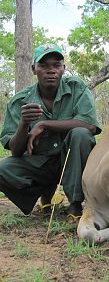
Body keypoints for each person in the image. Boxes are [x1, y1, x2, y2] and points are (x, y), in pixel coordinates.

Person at [0, 43, 101, 220]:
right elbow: (15, 150)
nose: (51, 70)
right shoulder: (20, 101)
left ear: (64, 68)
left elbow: (90, 126)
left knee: (80, 134)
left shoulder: (77, 88)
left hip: (71, 163)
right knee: (2, 169)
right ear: (34, 69)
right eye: (44, 65)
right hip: (39, 165)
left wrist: (44, 124)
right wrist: (24, 124)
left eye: (56, 65)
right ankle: (43, 193)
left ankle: (75, 204)